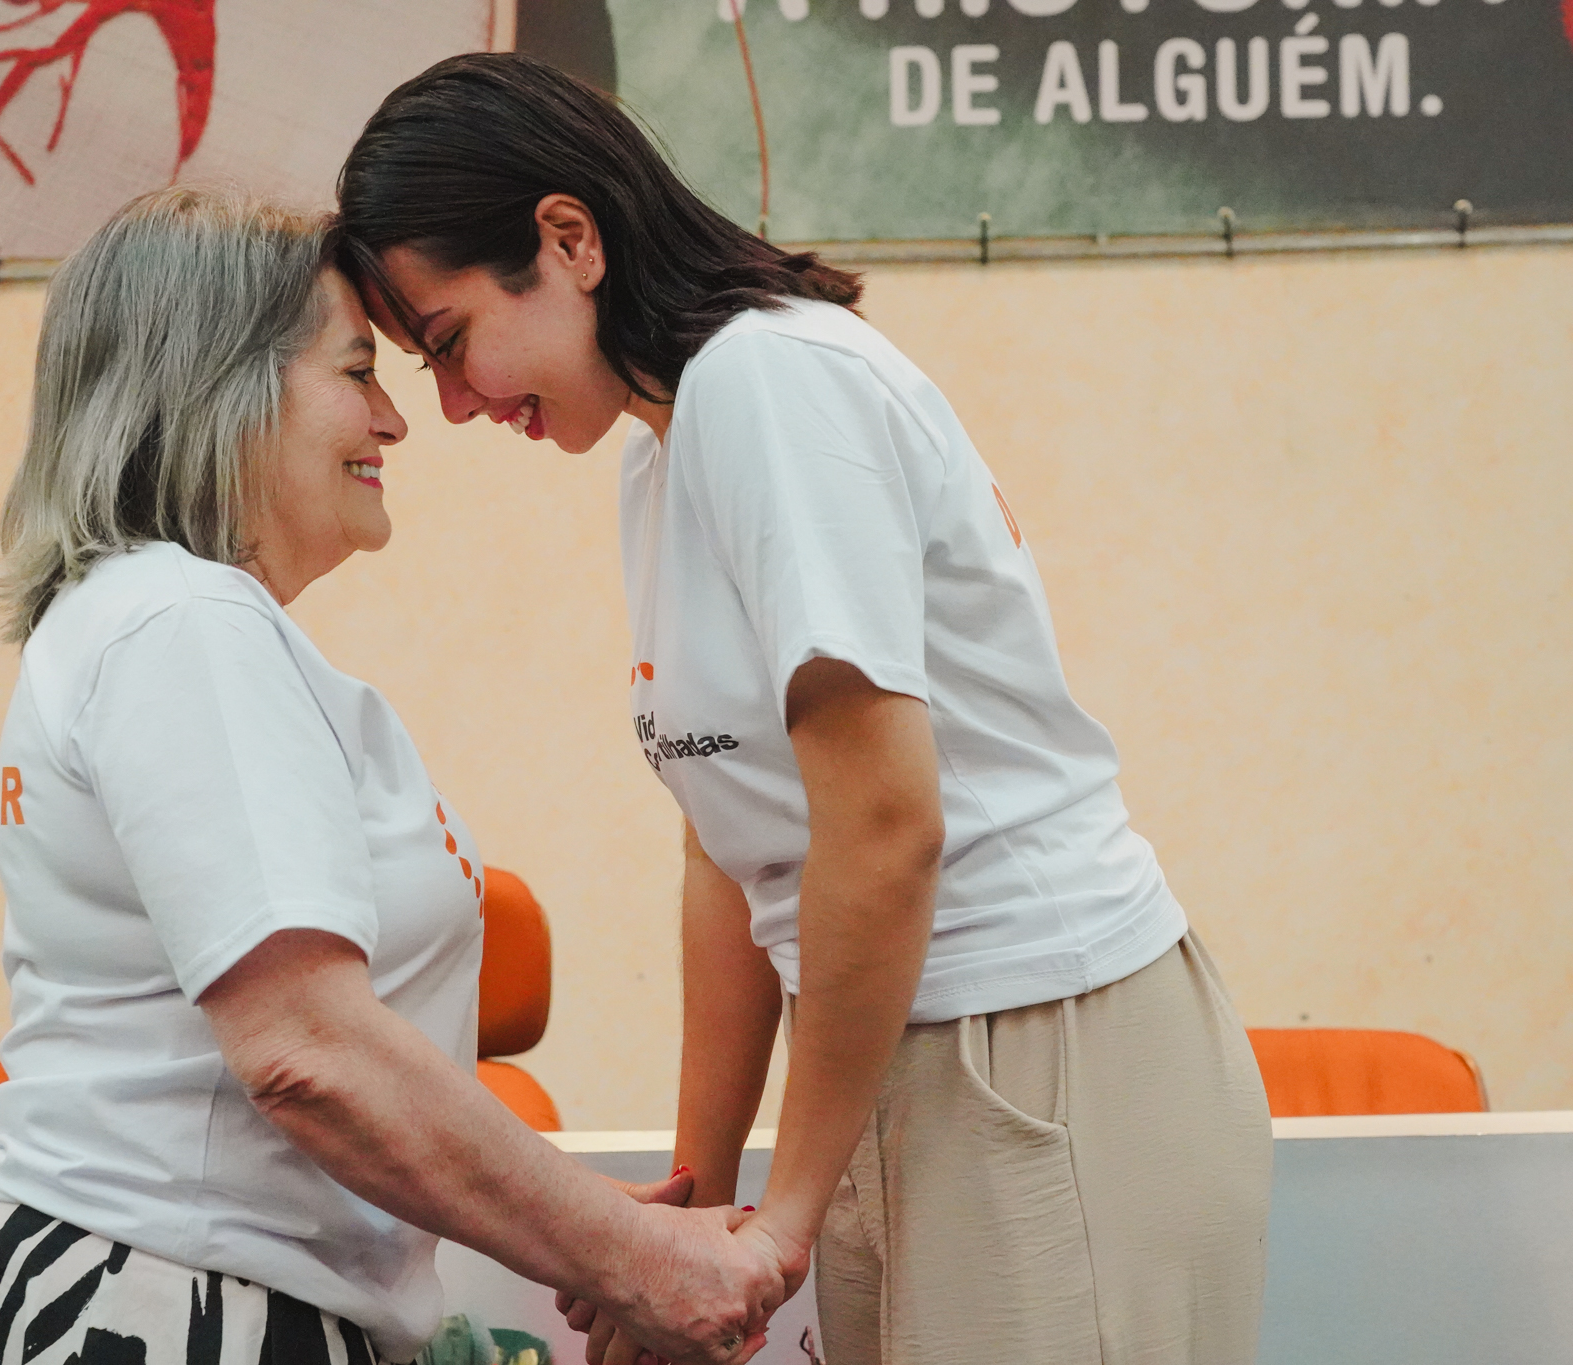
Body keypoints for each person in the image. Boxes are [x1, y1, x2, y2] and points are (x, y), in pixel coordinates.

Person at [335, 55, 1274, 1365]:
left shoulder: (767, 382)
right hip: (902, 1061)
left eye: (447, 341)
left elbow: (886, 827)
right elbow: (735, 846)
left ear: (568, 239)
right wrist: (705, 1194)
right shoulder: (660, 457)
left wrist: (775, 1226)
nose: (452, 403)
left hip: (1039, 1041)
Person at [0, 187, 785, 1365]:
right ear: (218, 390)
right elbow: (307, 1052)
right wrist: (626, 1256)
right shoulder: (181, 625)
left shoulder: (160, 624)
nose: (396, 420)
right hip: (172, 1309)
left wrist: (573, 1220)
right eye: (358, 372)